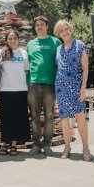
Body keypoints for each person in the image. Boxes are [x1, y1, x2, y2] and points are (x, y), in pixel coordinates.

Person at [53, 20, 92, 161]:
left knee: (80, 116)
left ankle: (86, 148)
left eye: (66, 29)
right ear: (58, 34)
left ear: (70, 29)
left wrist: (83, 87)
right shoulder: (58, 48)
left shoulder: (80, 45)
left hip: (76, 86)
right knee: (64, 118)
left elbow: (85, 68)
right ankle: (67, 147)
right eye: (61, 30)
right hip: (61, 87)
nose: (65, 32)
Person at [26, 16, 62, 156]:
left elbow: (61, 62)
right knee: (34, 116)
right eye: (37, 25)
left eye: (42, 25)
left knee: (49, 116)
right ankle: (36, 144)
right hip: (33, 84)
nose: (39, 27)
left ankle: (47, 145)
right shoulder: (30, 44)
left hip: (49, 85)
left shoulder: (56, 42)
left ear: (47, 26)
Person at [0, 30, 31, 156]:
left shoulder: (23, 53)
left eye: (15, 38)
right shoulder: (1, 52)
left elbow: (26, 71)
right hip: (5, 90)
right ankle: (4, 143)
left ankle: (13, 144)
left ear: (18, 39)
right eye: (10, 38)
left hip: (21, 90)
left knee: (18, 118)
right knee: (6, 118)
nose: (12, 40)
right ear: (6, 40)